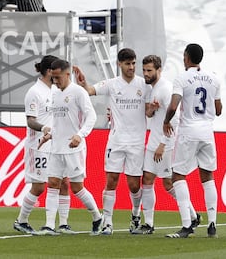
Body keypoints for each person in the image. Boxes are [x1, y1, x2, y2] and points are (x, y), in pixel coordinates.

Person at [74, 48, 151, 235]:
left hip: (136, 142)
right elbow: (90, 91)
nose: (131, 67)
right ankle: (107, 222)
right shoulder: (112, 84)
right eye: (127, 64)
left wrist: (154, 110)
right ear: (119, 64)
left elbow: (150, 110)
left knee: (134, 184)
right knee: (112, 181)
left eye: (133, 63)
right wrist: (83, 84)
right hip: (116, 141)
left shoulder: (145, 85)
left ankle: (135, 215)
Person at [131, 55, 201, 235]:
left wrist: (163, 144)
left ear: (159, 70)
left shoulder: (166, 89)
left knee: (169, 184)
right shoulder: (152, 89)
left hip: (165, 144)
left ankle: (192, 216)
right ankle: (149, 224)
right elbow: (153, 115)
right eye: (144, 70)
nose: (145, 74)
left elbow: (175, 119)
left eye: (149, 70)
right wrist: (151, 110)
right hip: (153, 141)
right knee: (147, 180)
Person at [35, 59, 103, 236]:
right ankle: (50, 225)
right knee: (53, 183)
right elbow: (58, 121)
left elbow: (92, 117)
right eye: (53, 78)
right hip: (56, 146)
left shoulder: (79, 92)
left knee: (76, 187)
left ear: (67, 74)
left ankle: (97, 217)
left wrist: (80, 136)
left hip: (74, 148)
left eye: (58, 77)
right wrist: (50, 135)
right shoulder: (55, 93)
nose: (55, 81)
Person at [163, 43, 222, 238]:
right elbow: (219, 109)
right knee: (208, 177)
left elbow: (173, 105)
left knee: (178, 176)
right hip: (207, 132)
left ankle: (187, 226)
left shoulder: (182, 78)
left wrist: (166, 120)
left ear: (186, 57)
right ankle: (212, 223)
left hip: (189, 130)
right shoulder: (214, 78)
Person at [13, 55, 73, 235]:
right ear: (48, 71)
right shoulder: (34, 92)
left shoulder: (56, 91)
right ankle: (21, 220)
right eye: (55, 72)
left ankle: (63, 224)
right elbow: (30, 121)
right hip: (38, 146)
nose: (58, 76)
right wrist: (44, 127)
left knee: (64, 182)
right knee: (39, 186)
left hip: (56, 145)